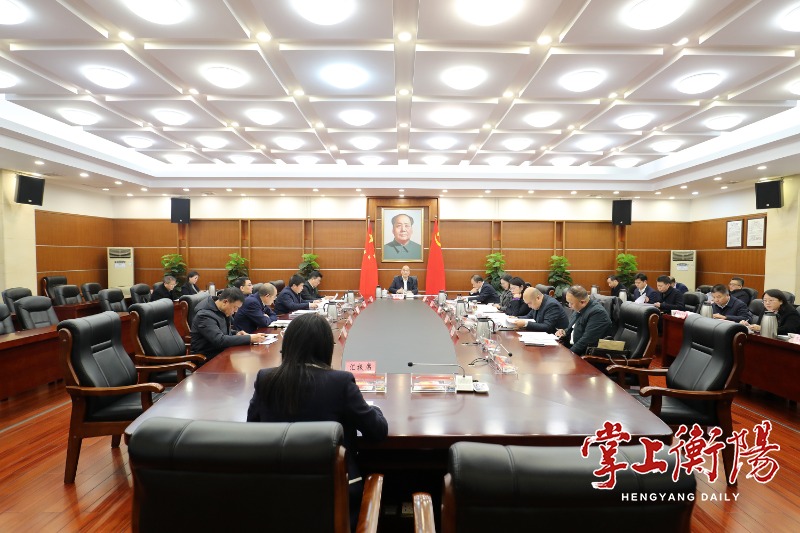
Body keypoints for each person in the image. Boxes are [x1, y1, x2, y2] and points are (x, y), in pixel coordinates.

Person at [247, 313, 388, 526]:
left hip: (276, 495)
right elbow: (377, 431)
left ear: (288, 345)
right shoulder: (339, 382)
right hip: (336, 498)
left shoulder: (266, 378)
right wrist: (373, 409)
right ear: (326, 347)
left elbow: (252, 429)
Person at [191, 287, 267, 359]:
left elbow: (219, 330)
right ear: (225, 302)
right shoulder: (204, 316)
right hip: (208, 359)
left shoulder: (221, 309)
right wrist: (249, 338)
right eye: (235, 307)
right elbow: (219, 340)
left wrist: (236, 333)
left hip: (223, 353)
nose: (236, 311)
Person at [556, 285, 613, 355]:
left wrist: (569, 354)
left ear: (583, 302)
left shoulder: (597, 313)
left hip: (584, 354)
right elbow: (575, 328)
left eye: (571, 303)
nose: (569, 306)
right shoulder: (579, 308)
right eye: (568, 302)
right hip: (571, 348)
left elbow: (586, 341)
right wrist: (564, 332)